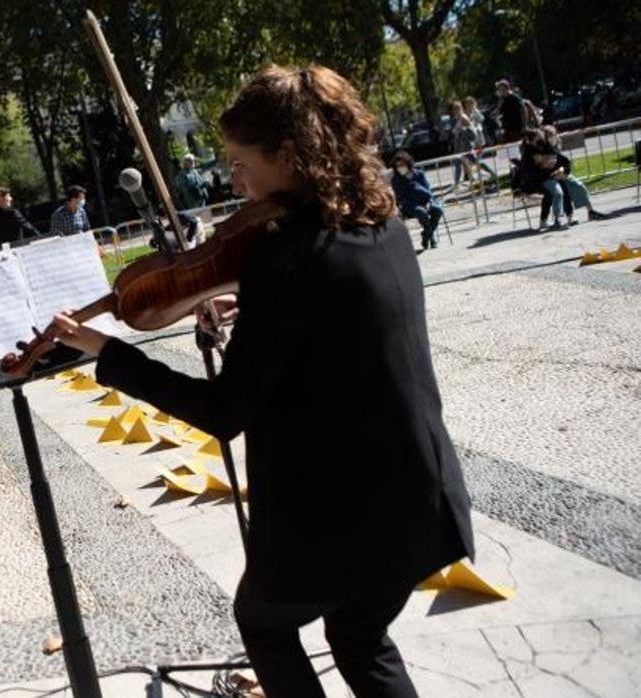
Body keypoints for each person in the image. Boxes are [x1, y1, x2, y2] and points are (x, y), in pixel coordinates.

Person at [50, 65, 472, 698]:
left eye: (242, 163)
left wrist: (110, 353)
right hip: (423, 495)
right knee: (360, 638)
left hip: (343, 517)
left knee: (264, 624)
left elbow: (224, 410)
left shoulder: (284, 257)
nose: (234, 180)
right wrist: (258, 311)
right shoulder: (377, 222)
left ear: (290, 155)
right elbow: (345, 315)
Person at [390, 150, 444, 249]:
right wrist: (409, 182)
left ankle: (426, 234)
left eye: (402, 165)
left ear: (407, 163)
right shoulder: (396, 179)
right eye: (398, 166)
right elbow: (400, 197)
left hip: (424, 200)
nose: (400, 168)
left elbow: (427, 190)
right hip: (409, 205)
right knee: (421, 212)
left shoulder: (419, 174)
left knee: (438, 210)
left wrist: (428, 201)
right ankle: (431, 237)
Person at [494, 79, 525, 143]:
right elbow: (498, 112)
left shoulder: (515, 98)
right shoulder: (502, 100)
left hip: (516, 127)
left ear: (506, 88)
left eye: (501, 90)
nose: (500, 91)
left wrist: (523, 125)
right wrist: (499, 105)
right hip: (507, 128)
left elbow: (523, 111)